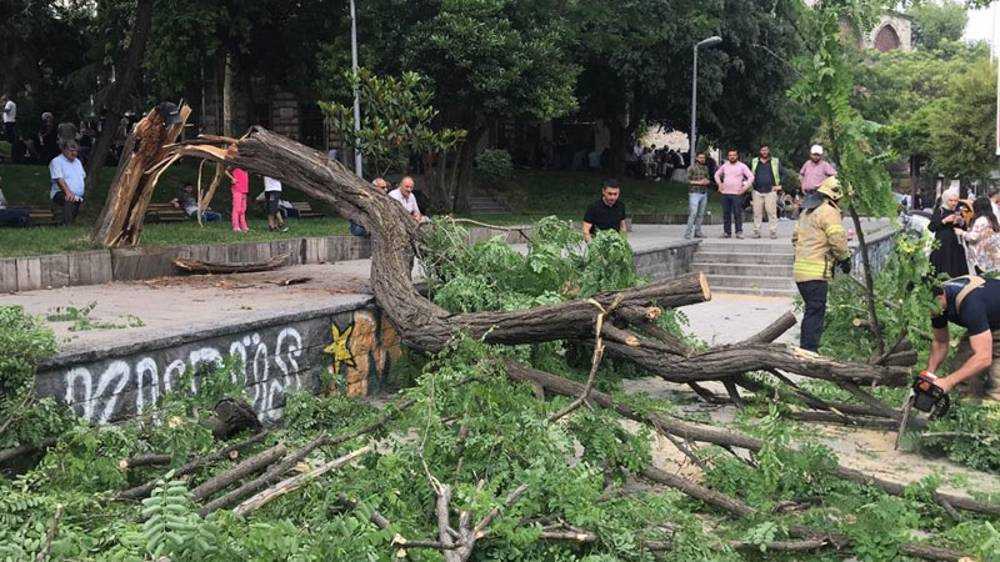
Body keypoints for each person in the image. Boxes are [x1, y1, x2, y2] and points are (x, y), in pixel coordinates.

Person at [792, 176, 851, 352]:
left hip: (801, 271)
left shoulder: (807, 211)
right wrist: (844, 259)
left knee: (811, 311)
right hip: (816, 272)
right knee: (815, 313)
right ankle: (809, 352)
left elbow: (795, 238)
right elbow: (837, 239)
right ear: (836, 195)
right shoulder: (829, 211)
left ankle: (805, 349)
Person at [923, 275, 1000, 402]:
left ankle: (991, 410)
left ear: (940, 297)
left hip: (990, 317)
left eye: (930, 307)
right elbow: (941, 342)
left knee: (995, 381)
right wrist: (929, 374)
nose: (929, 311)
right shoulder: (937, 302)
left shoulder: (971, 305)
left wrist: (948, 381)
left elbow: (983, 357)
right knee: (961, 366)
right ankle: (964, 403)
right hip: (989, 319)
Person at [928, 188, 970, 279]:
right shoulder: (940, 211)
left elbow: (964, 228)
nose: (954, 203)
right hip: (942, 245)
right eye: (951, 200)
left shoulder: (958, 211)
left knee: (956, 268)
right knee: (943, 266)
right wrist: (945, 220)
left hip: (955, 244)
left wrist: (961, 222)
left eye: (956, 201)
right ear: (946, 200)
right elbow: (931, 227)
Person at [714, 149, 753, 239]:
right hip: (725, 193)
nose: (732, 157)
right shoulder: (725, 166)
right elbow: (716, 174)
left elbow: (751, 176)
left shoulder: (742, 166)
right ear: (728, 156)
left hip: (737, 193)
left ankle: (739, 232)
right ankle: (727, 232)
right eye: (730, 155)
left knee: (737, 213)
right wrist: (719, 184)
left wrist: (745, 187)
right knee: (726, 213)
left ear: (737, 156)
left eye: (734, 155)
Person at [749, 145, 784, 239]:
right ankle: (756, 231)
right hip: (757, 191)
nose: (764, 152)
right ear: (760, 151)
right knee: (757, 212)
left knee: (772, 212)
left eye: (766, 150)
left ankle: (773, 231)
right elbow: (749, 174)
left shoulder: (775, 161)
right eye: (762, 150)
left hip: (770, 191)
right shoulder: (754, 161)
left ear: (768, 151)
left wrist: (779, 186)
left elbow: (783, 174)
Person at [957, 197, 1000, 274]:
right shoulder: (992, 218)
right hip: (992, 255)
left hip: (982, 257)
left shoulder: (980, 220)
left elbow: (973, 237)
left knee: (983, 279)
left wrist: (962, 232)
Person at [49, 141, 86, 225]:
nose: (74, 153)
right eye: (71, 150)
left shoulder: (78, 162)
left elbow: (82, 176)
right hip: (60, 192)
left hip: (77, 195)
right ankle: (66, 225)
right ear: (64, 150)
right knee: (69, 199)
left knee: (74, 201)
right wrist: (68, 192)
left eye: (76, 151)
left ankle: (68, 223)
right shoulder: (56, 161)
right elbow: (59, 179)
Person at [582, 178, 627, 242]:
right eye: (610, 194)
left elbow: (622, 227)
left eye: (615, 194)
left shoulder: (621, 206)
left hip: (615, 245)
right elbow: (586, 230)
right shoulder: (593, 207)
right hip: (597, 243)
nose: (612, 197)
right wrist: (592, 245)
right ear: (603, 191)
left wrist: (623, 243)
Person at [684, 152, 711, 240]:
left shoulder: (705, 168)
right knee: (693, 213)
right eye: (700, 157)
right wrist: (699, 183)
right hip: (694, 193)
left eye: (703, 158)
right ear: (696, 158)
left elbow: (708, 179)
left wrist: (707, 182)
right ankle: (688, 233)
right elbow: (687, 180)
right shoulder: (691, 168)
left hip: (704, 193)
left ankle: (698, 232)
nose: (702, 159)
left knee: (701, 214)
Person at [230, 167, 249, 233]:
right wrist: (232, 178)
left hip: (244, 190)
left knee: (243, 209)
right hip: (237, 189)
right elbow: (225, 170)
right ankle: (236, 226)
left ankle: (243, 225)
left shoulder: (245, 167)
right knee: (236, 208)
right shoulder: (235, 165)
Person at [2, 94, 16, 161]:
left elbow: (7, 111)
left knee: (9, 138)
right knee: (11, 137)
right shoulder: (12, 103)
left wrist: (1, 108)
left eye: (3, 100)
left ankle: (8, 154)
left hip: (9, 122)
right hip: (11, 122)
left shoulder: (8, 103)